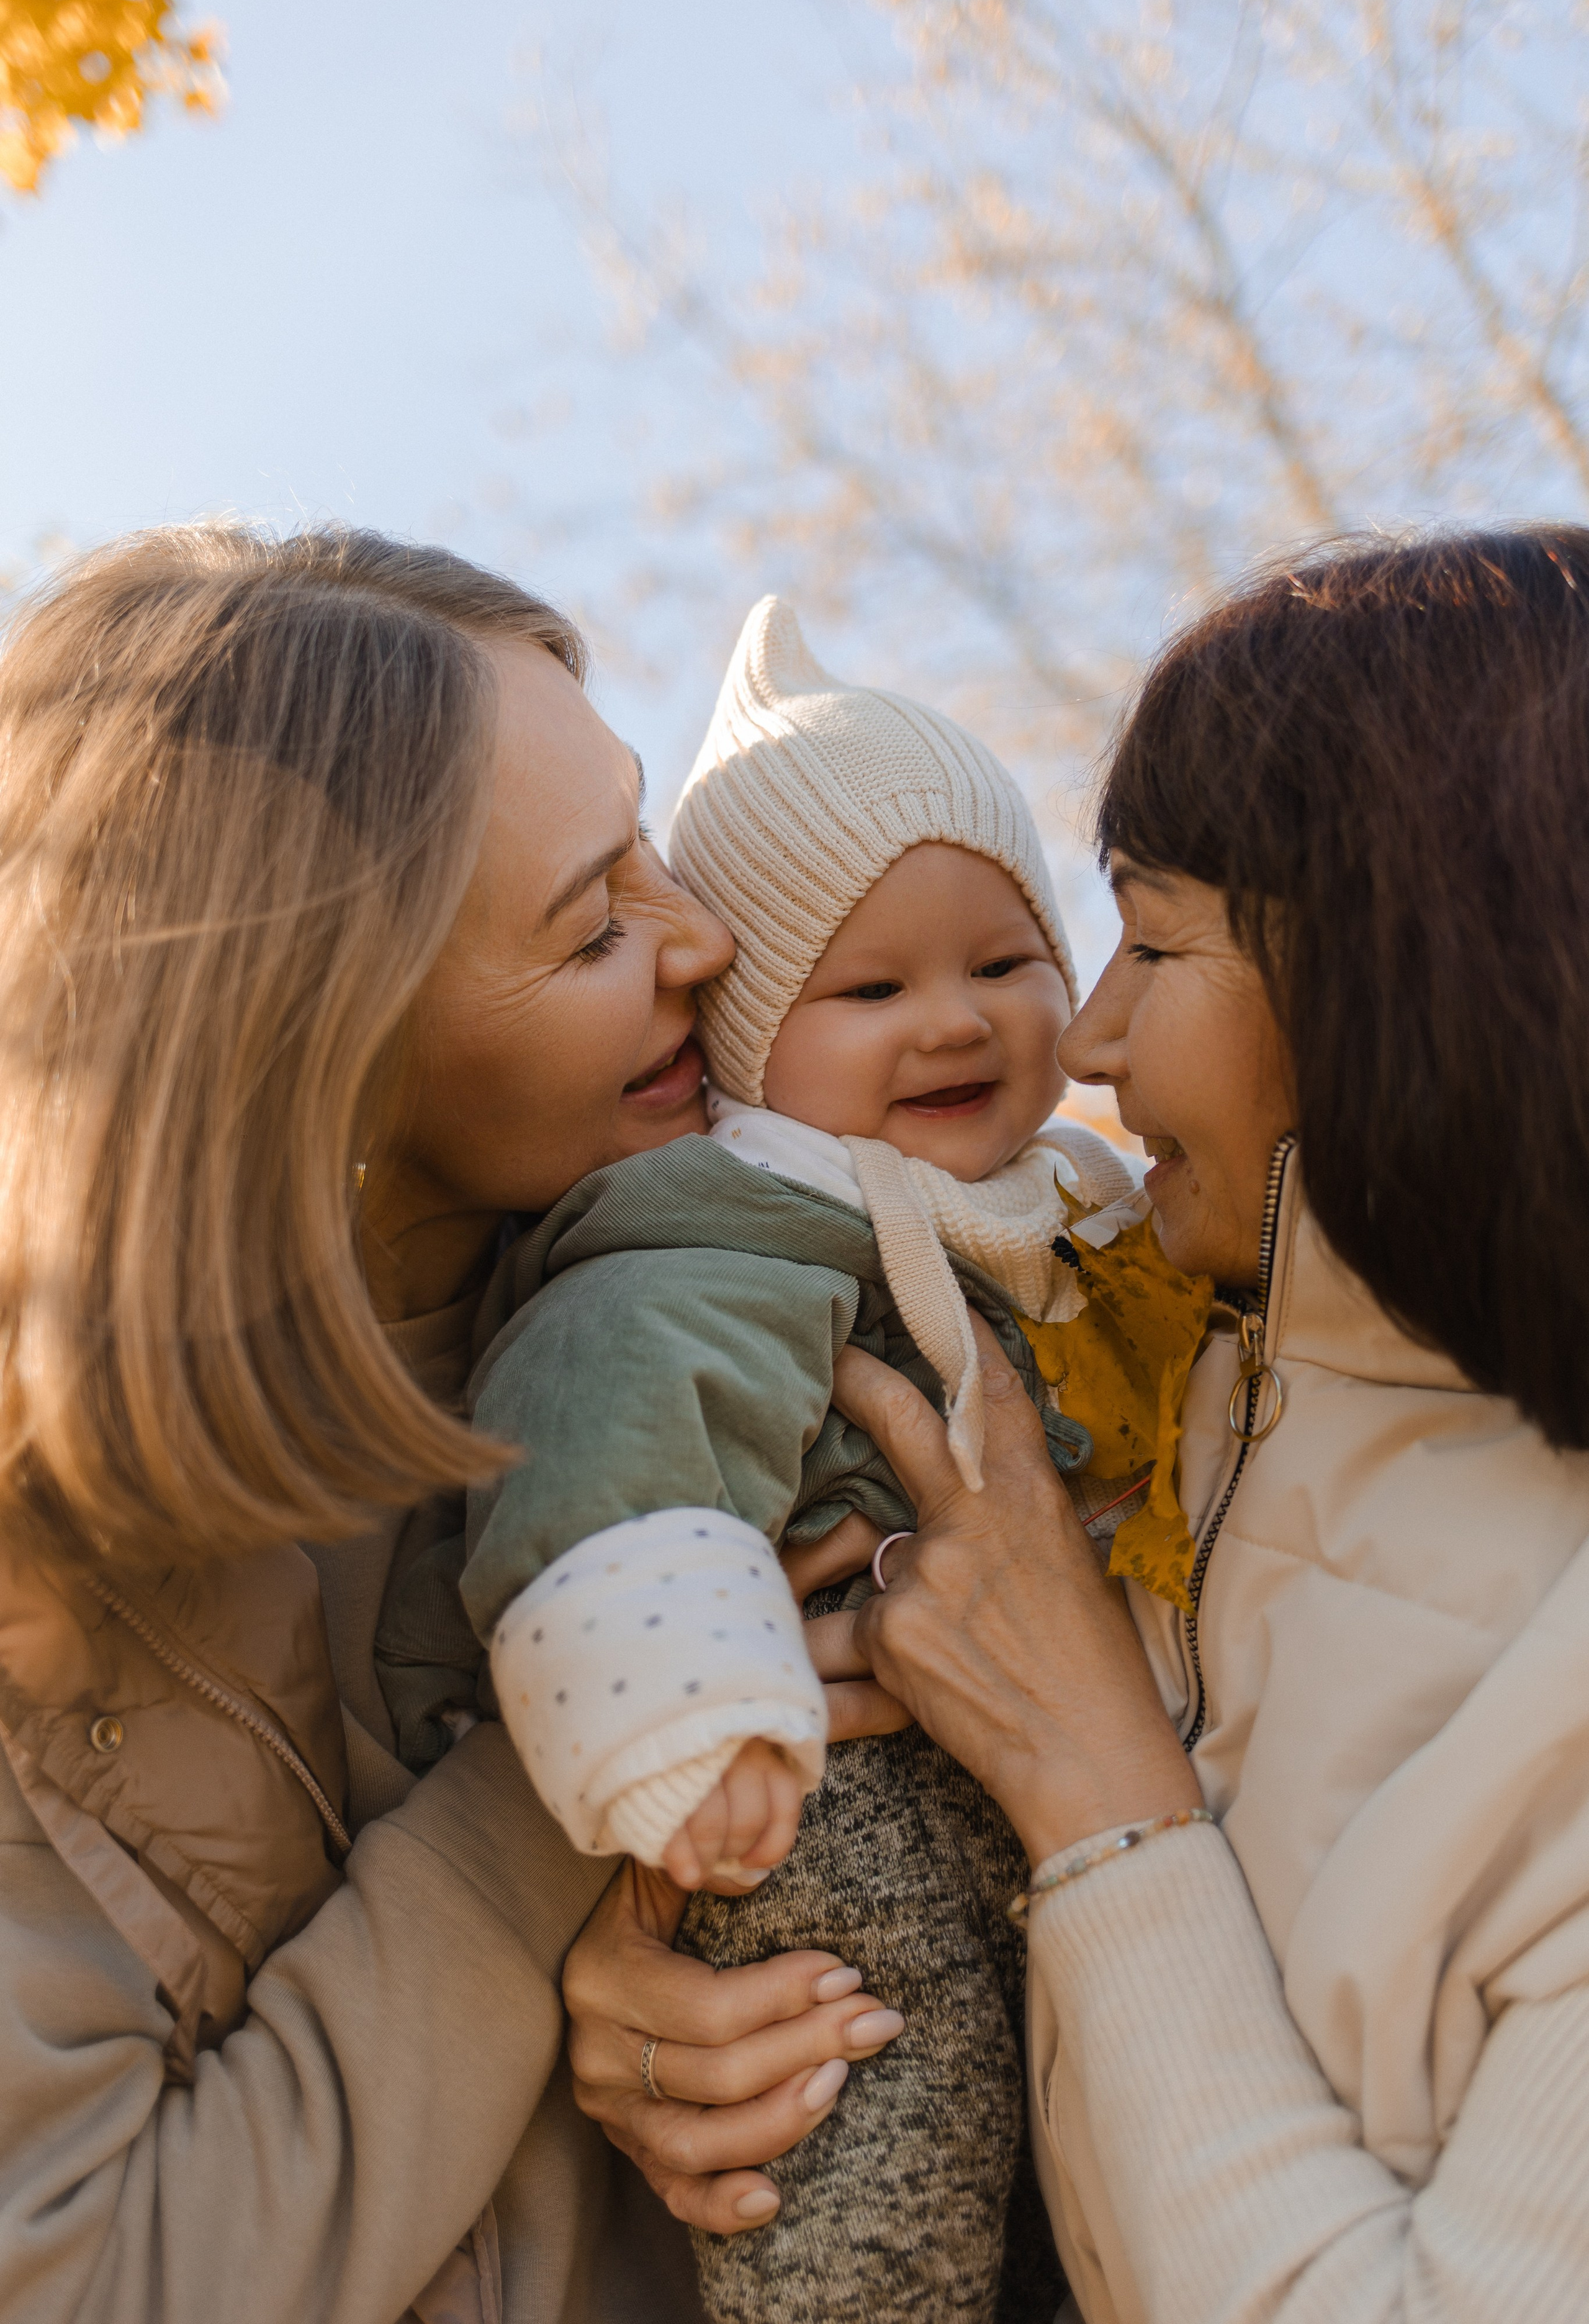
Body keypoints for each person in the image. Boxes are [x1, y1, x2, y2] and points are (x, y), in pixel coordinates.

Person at [565, 525, 1589, 2322]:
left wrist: (1098, 1791)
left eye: (1153, 943)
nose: (1090, 1040)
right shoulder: (1179, 1368)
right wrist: (647, 1976)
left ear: (1401, 959)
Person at [0, 523, 907, 2323]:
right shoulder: (48, 1601)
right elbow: (94, 2275)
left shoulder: (767, 1275)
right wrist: (554, 1832)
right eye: (591, 925)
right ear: (315, 1040)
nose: (702, 937)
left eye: (644, 838)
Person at [384, 595, 1204, 2323]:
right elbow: (618, 1435)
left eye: (1005, 964)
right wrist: (681, 1710)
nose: (958, 1022)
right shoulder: (732, 1233)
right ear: (752, 1034)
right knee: (862, 2082)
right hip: (825, 1792)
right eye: (872, 987)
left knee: (1086, 2148)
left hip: (1066, 1784)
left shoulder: (1095, 1209)